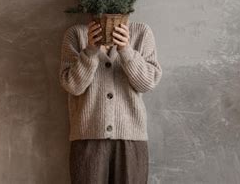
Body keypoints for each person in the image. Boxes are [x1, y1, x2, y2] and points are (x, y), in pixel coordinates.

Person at [59, 19, 163, 184]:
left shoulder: (141, 33)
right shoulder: (76, 34)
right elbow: (72, 86)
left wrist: (126, 50)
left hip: (131, 139)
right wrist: (90, 51)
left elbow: (147, 83)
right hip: (87, 139)